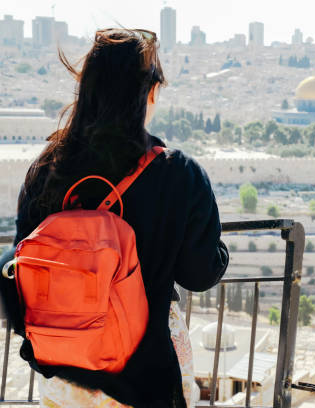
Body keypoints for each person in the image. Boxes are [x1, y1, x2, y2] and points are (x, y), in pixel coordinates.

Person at [0, 28, 228, 407]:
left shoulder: (46, 168)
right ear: (150, 92)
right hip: (144, 370)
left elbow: (18, 266)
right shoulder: (177, 173)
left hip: (65, 367)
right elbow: (200, 274)